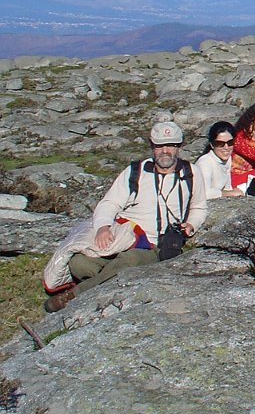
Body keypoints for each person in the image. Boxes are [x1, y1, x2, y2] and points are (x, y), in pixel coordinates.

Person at [43, 121, 208, 312]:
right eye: (160, 146)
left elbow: (199, 207)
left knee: (129, 261)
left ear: (179, 147)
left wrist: (191, 225)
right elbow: (109, 203)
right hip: (126, 238)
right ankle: (109, 279)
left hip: (158, 245)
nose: (165, 151)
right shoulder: (135, 172)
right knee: (78, 264)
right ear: (152, 146)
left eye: (171, 145)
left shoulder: (191, 173)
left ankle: (73, 297)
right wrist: (103, 227)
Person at [194, 121, 244, 199]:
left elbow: (227, 186)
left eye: (230, 142)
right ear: (212, 145)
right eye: (220, 144)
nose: (226, 148)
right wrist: (231, 193)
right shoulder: (205, 163)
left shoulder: (227, 158)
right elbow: (203, 193)